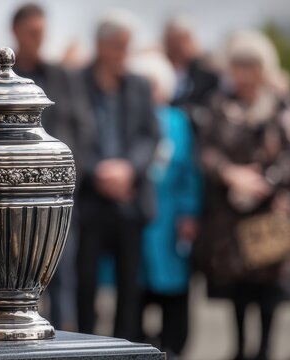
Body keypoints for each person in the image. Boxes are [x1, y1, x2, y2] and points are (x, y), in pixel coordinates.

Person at [194, 30, 290, 360]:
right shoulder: (220, 104)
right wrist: (231, 174)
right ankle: (241, 347)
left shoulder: (280, 103)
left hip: (271, 207)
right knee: (237, 284)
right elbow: (206, 150)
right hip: (231, 210)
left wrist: (268, 181)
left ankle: (266, 348)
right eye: (238, 66)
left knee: (270, 285)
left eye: (251, 66)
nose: (244, 74)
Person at [0, 3, 93, 330]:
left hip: (53, 193)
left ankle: (58, 341)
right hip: (6, 198)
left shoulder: (62, 77)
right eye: (33, 32)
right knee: (2, 277)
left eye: (42, 33)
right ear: (16, 31)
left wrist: (68, 174)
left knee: (60, 276)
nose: (38, 38)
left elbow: (83, 128)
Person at [77, 11, 160, 341]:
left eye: (127, 46)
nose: (124, 53)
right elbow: (71, 133)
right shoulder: (76, 81)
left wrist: (127, 169)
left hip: (130, 197)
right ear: (100, 46)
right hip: (89, 198)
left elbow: (149, 136)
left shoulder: (139, 85)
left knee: (129, 284)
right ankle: (82, 343)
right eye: (118, 46)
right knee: (85, 282)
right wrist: (98, 171)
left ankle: (123, 345)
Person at [129, 52, 202, 359]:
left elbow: (188, 171)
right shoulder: (130, 119)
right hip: (138, 217)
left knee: (173, 286)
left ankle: (174, 344)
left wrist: (189, 213)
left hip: (170, 214)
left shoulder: (177, 120)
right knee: (135, 286)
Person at [163, 15, 219, 111]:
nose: (178, 46)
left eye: (183, 40)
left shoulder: (205, 73)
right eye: (174, 40)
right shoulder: (159, 68)